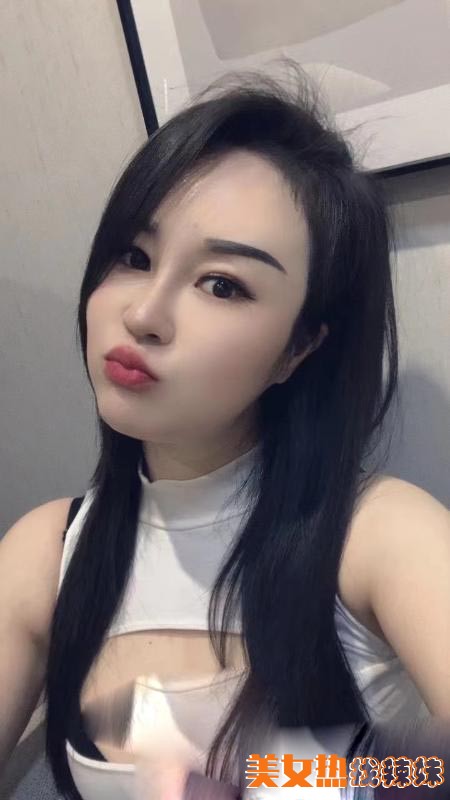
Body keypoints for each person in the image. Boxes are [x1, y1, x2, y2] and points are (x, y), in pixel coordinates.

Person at [0, 62, 449, 800]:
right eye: (134, 257)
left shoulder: (380, 535)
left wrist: (289, 773)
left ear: (297, 349)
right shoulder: (45, 555)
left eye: (222, 284)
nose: (145, 313)